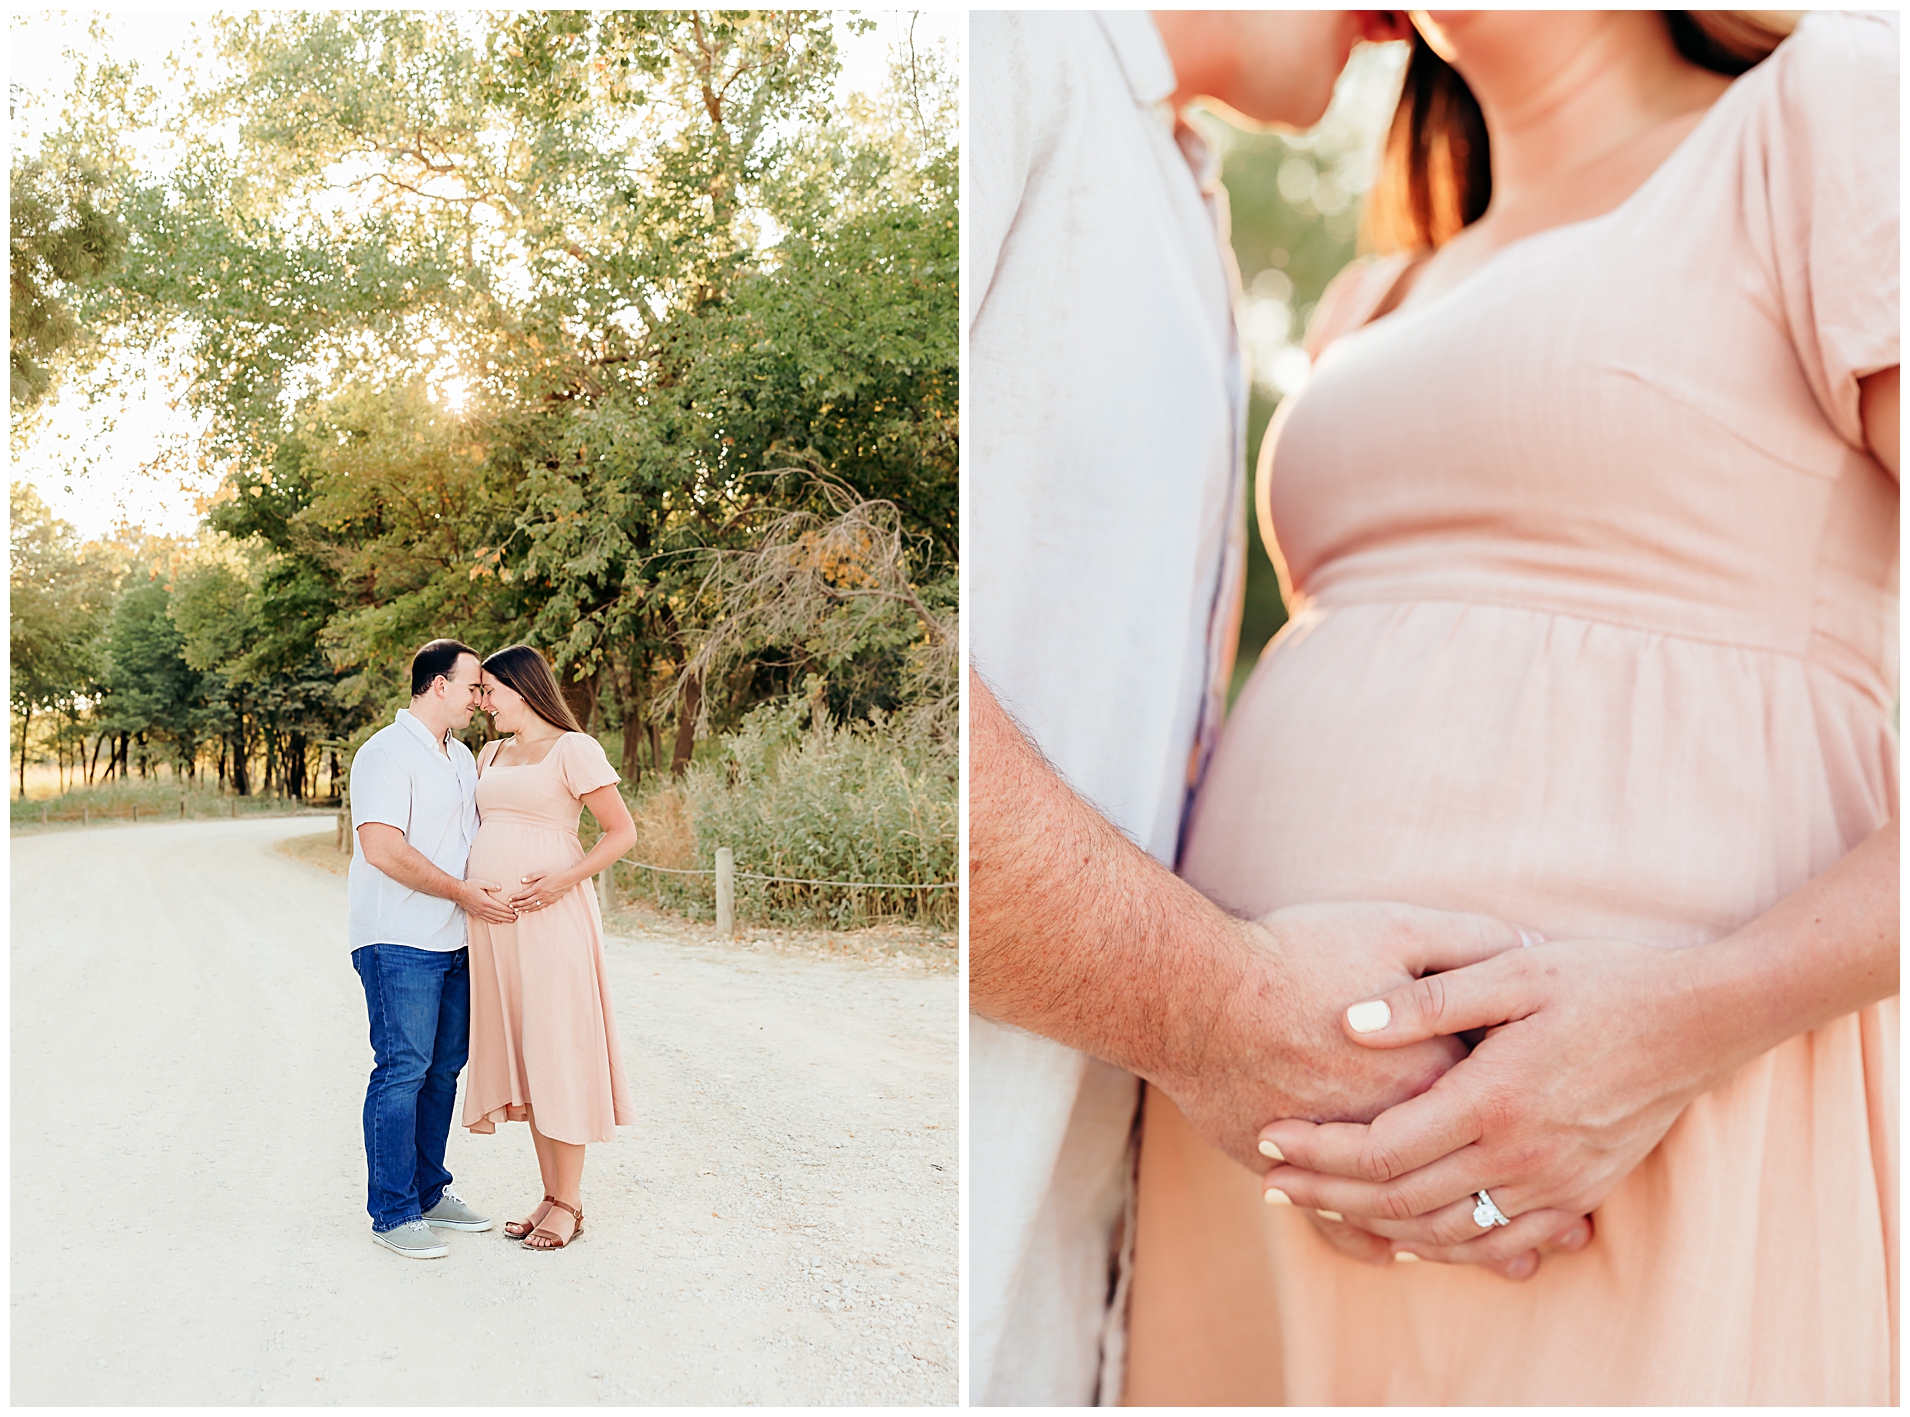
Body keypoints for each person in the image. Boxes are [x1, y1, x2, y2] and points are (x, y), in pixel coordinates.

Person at [1124, 10, 1899, 1404]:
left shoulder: (1823, 118)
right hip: (1268, 1185)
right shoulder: (1377, 292)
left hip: (1652, 1137)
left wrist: (1678, 1025)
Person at [967, 10, 1544, 1404]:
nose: (1409, 20)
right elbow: (869, 650)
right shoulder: (1003, 45)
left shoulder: (1167, 175)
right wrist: (1215, 1007)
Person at [462, 644, 637, 1251]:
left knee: (559, 1048)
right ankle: (549, 1193)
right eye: (479, 692)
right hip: (494, 928)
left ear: (521, 687)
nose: (482, 703)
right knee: (530, 1052)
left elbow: (621, 831)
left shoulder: (574, 748)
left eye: (489, 691)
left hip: (553, 919)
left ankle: (571, 1202)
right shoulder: (489, 754)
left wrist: (565, 879)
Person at [349, 638, 515, 1259]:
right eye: (474, 687)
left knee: (443, 1071)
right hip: (398, 938)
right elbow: (383, 849)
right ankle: (392, 1213)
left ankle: (427, 1190)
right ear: (438, 686)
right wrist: (464, 894)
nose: (481, 698)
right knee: (402, 1071)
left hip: (455, 938)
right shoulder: (386, 753)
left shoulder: (463, 757)